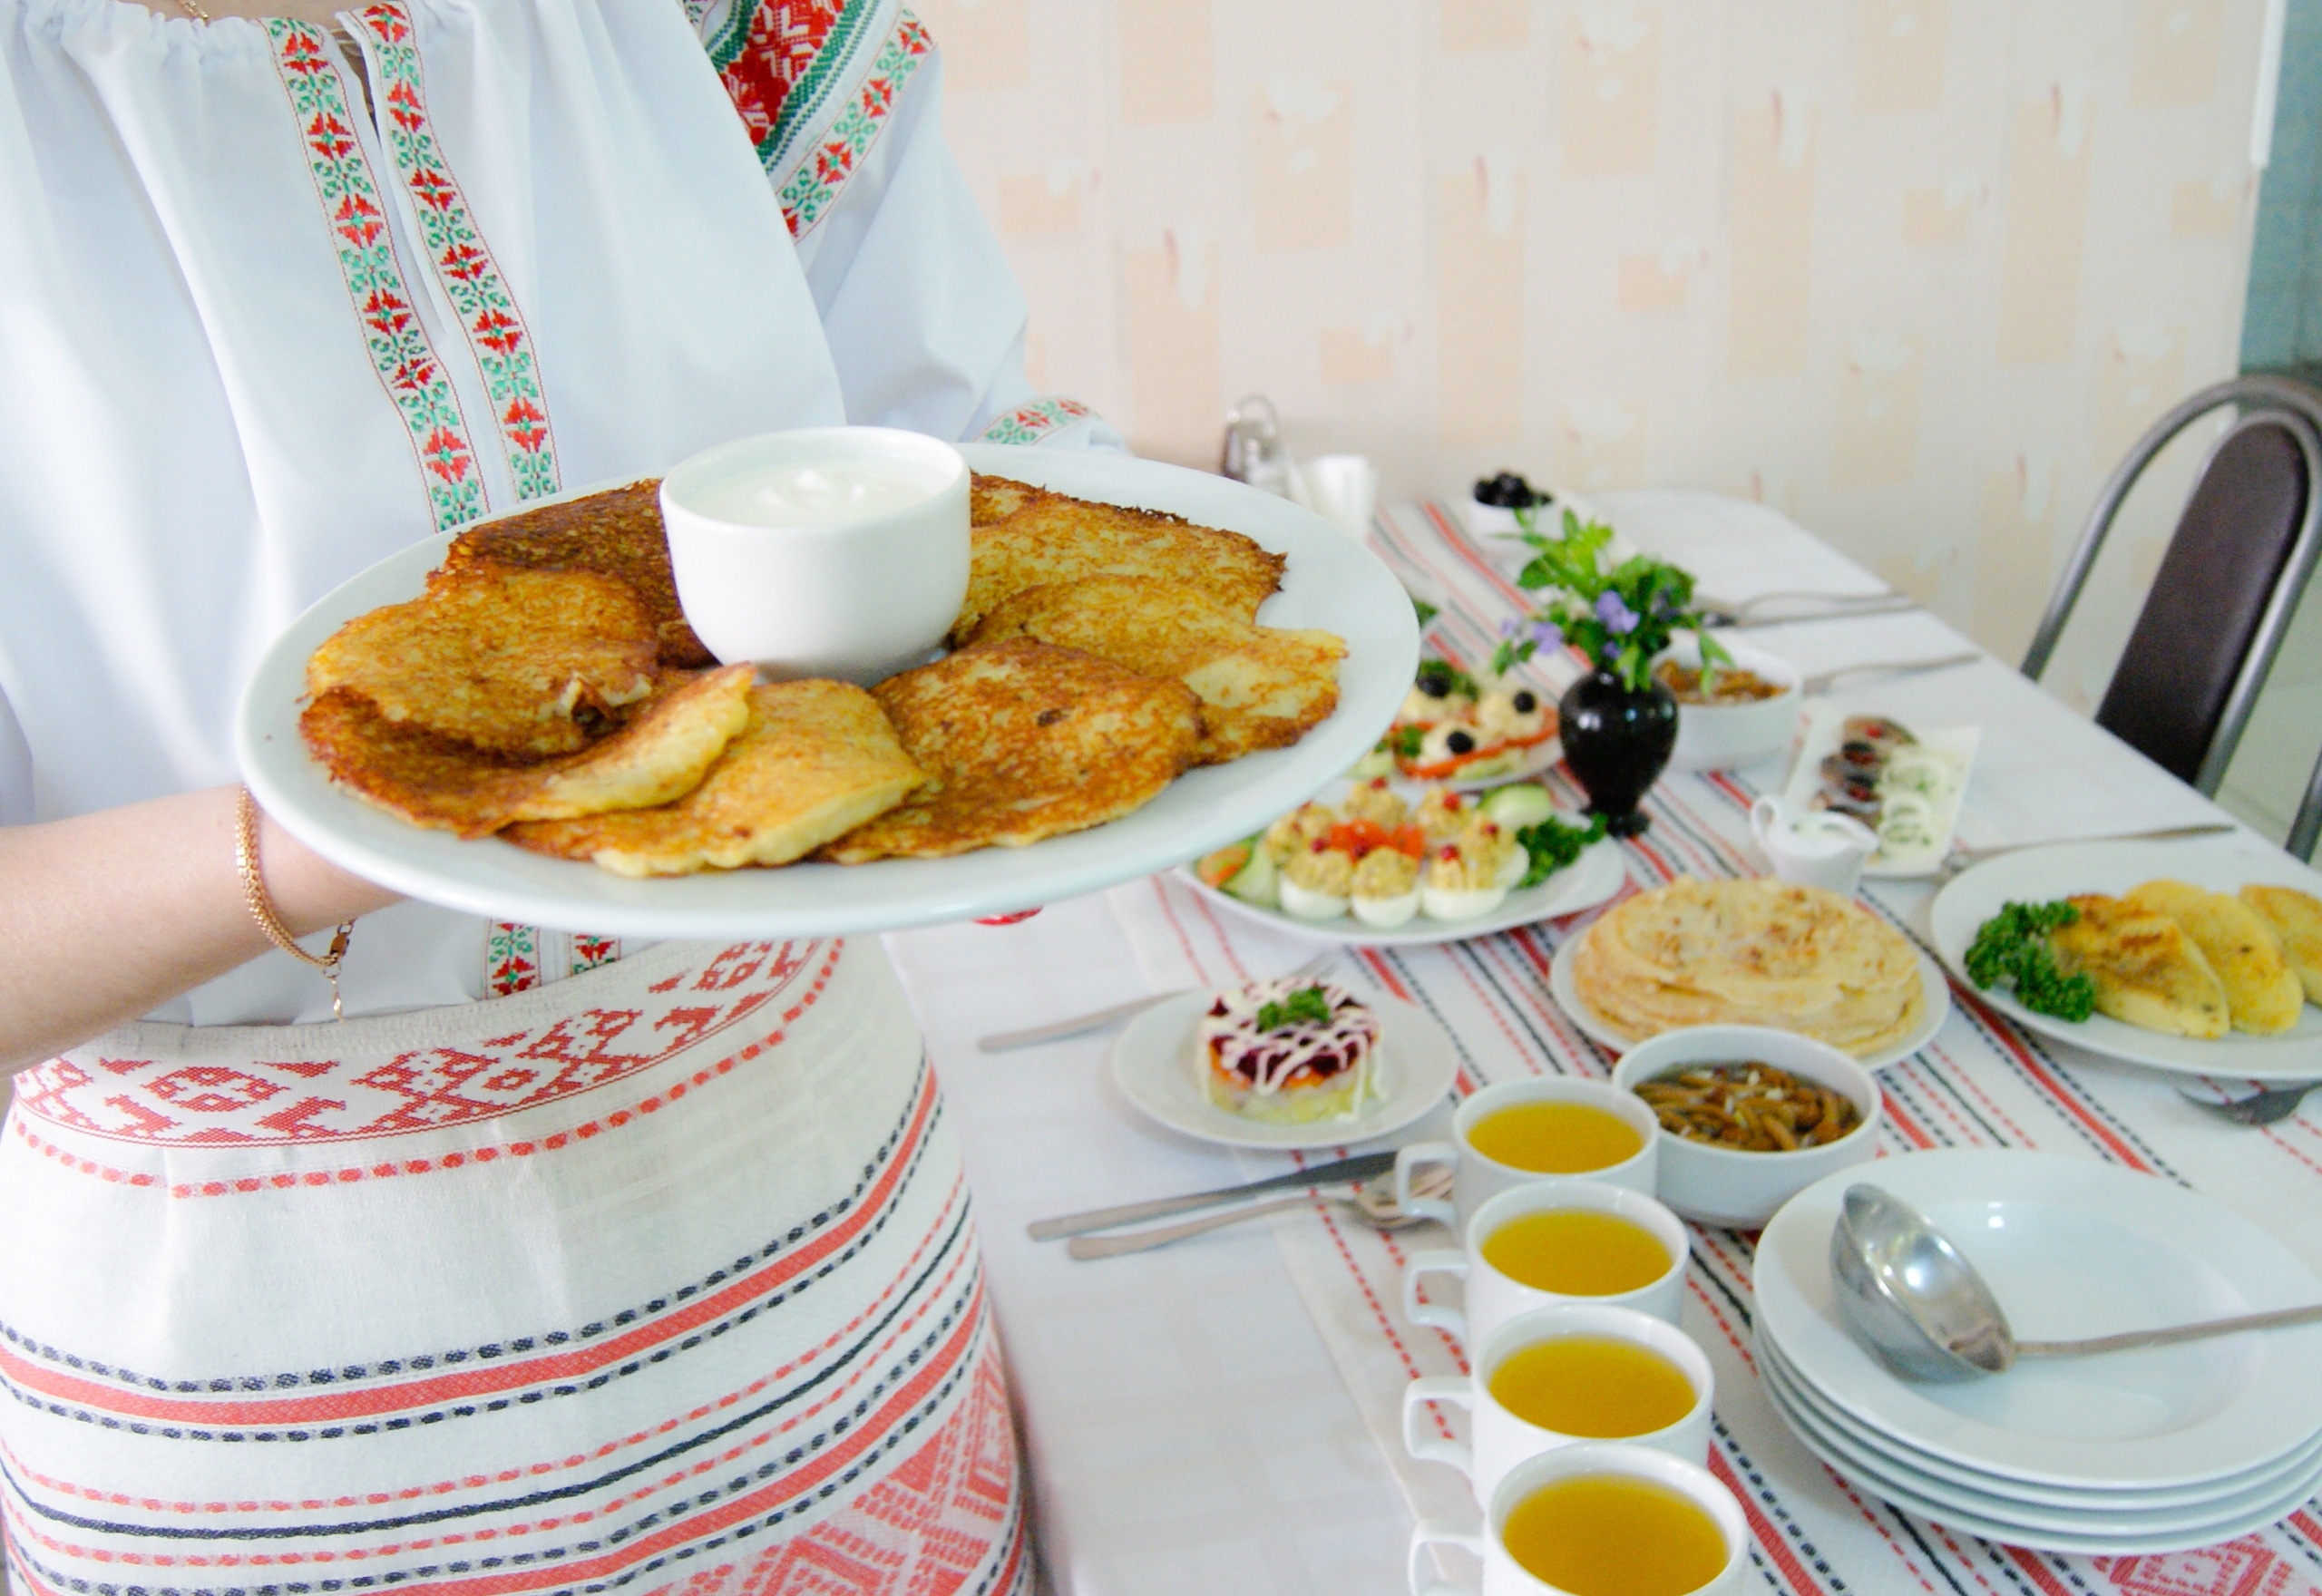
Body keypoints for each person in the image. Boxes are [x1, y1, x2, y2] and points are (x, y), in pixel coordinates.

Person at [0, 0, 1108, 1584]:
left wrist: (1084, 710)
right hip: (250, 1399)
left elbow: (971, 482)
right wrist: (384, 814)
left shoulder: (710, 21)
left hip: (822, 1289)